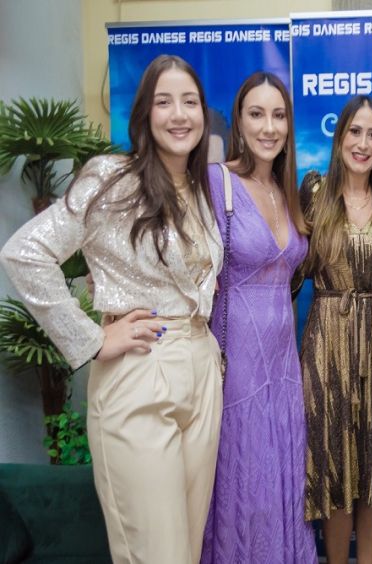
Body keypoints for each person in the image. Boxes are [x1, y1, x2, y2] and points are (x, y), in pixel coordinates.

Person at [1, 54, 223, 563]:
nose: (179, 114)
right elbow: (25, 253)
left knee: (186, 550)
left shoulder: (201, 188)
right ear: (144, 113)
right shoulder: (112, 177)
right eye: (164, 102)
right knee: (154, 553)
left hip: (200, 369)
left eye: (190, 102)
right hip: (140, 370)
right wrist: (92, 339)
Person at [200, 72, 316, 563]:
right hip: (236, 369)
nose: (268, 127)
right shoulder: (215, 179)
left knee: (281, 486)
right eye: (256, 114)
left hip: (284, 368)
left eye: (279, 115)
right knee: (241, 486)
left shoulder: (287, 190)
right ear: (240, 122)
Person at [299, 95, 372, 564]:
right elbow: (288, 267)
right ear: (339, 137)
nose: (362, 143)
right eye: (354, 131)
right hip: (328, 347)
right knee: (336, 467)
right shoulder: (314, 193)